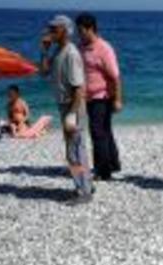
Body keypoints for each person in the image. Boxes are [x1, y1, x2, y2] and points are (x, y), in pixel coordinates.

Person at [40, 14, 94, 205]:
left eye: (54, 29)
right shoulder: (58, 51)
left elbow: (79, 88)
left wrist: (71, 115)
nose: (50, 32)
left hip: (73, 106)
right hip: (65, 105)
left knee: (74, 151)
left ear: (64, 30)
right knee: (77, 148)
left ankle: (83, 191)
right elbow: (44, 72)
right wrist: (44, 51)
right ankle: (86, 184)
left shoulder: (71, 54)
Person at [77, 12, 123, 181]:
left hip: (102, 97)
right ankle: (112, 164)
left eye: (82, 31)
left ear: (91, 29)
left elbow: (115, 76)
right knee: (105, 132)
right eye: (78, 31)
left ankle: (102, 171)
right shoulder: (81, 47)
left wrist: (118, 99)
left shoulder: (104, 48)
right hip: (87, 97)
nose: (79, 34)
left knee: (97, 133)